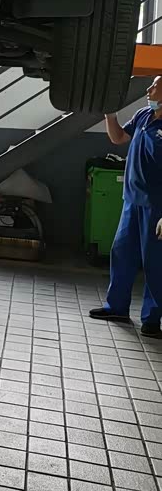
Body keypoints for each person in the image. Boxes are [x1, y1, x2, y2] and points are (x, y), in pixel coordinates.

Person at [90, 76, 162, 337]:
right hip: (132, 200)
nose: (149, 89)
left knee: (156, 262)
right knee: (122, 253)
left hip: (157, 207)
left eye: (155, 86)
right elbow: (118, 137)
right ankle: (117, 307)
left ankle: (152, 319)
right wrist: (110, 114)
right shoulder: (144, 115)